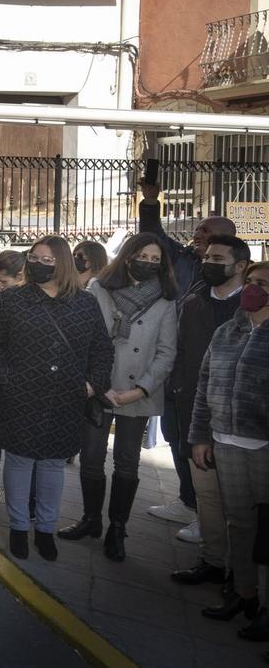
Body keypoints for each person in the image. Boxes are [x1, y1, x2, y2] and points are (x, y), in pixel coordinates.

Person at [0, 235, 114, 560]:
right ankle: (20, 527)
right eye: (34, 258)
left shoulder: (85, 303)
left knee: (53, 464)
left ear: (63, 263)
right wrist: (5, 380)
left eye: (48, 259)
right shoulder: (11, 301)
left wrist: (92, 386)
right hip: (18, 396)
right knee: (20, 461)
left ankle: (46, 529)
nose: (38, 263)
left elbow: (102, 348)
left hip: (64, 398)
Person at [59, 232, 178, 562]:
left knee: (127, 460)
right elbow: (83, 337)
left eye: (156, 260)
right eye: (143, 257)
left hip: (137, 392)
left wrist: (140, 390)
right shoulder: (100, 288)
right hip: (100, 386)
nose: (148, 264)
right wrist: (97, 385)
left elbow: (167, 353)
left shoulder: (166, 301)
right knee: (92, 456)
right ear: (128, 256)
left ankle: (117, 528)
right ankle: (91, 519)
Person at [188, 260, 269, 638]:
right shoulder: (227, 330)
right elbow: (204, 386)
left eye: (263, 284)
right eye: (250, 281)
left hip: (264, 447)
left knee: (267, 532)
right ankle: (243, 593)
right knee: (240, 524)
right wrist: (201, 435)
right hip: (226, 442)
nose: (253, 289)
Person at [165, 235, 249, 587]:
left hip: (242, 422)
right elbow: (182, 352)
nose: (209, 262)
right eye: (208, 256)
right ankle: (213, 560)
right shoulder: (194, 303)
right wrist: (179, 390)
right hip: (197, 414)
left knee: (242, 507)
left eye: (218, 257)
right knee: (209, 497)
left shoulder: (253, 306)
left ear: (240, 265)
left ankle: (242, 575)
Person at [138, 179, 237, 297]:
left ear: (226, 237)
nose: (197, 235)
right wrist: (150, 200)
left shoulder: (238, 271)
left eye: (205, 231)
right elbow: (152, 237)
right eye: (196, 230)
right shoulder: (182, 257)